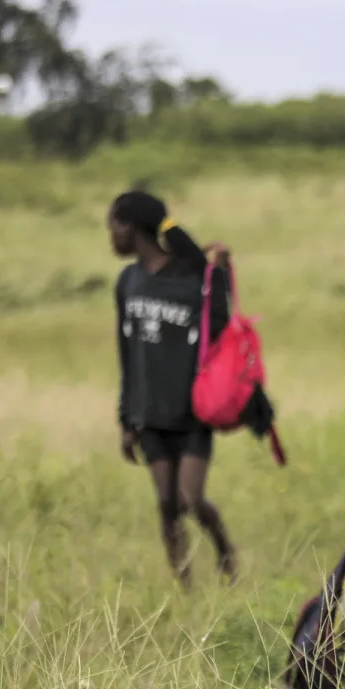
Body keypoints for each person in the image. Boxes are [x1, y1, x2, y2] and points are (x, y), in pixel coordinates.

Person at [108, 190, 238, 587]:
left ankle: (225, 552)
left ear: (130, 227)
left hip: (193, 410)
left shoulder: (196, 279)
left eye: (113, 226)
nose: (111, 236)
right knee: (166, 505)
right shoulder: (128, 280)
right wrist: (126, 418)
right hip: (148, 412)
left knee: (189, 499)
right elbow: (126, 351)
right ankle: (186, 588)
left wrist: (222, 275)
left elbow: (222, 328)